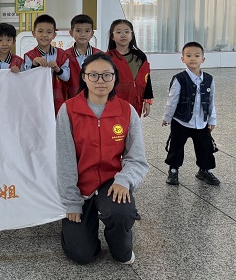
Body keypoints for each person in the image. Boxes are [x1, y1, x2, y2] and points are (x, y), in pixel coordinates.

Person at [56, 53, 148, 265]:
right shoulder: (68, 110)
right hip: (81, 185)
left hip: (112, 182)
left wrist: (124, 180)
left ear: (115, 78)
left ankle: (119, 242)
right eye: (94, 75)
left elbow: (137, 158)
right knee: (81, 254)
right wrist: (72, 202)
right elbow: (64, 159)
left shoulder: (126, 111)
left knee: (121, 213)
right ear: (84, 77)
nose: (100, 81)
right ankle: (84, 232)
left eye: (107, 75)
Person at [163, 42, 220, 186]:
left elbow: (211, 100)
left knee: (205, 147)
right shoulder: (179, 79)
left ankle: (205, 170)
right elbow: (172, 100)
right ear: (183, 59)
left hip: (201, 122)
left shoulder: (209, 79)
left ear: (203, 59)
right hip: (181, 121)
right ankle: (173, 170)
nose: (193, 58)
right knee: (176, 146)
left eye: (197, 55)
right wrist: (167, 117)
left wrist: (212, 120)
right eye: (188, 56)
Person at [23, 14, 70, 114]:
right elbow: (26, 79)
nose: (44, 35)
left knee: (57, 121)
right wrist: (34, 64)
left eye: (48, 32)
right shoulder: (29, 56)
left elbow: (66, 77)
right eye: (40, 31)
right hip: (36, 99)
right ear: (34, 33)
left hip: (57, 97)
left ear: (54, 35)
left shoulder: (61, 54)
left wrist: (57, 69)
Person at [106, 19, 153, 117]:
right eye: (118, 32)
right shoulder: (107, 57)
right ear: (112, 37)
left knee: (133, 124)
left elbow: (146, 78)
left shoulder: (140, 56)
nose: (123, 35)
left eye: (127, 32)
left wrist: (147, 101)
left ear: (132, 35)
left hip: (135, 101)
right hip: (114, 101)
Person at [64, 14, 101, 100]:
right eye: (78, 31)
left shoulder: (99, 55)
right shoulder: (64, 56)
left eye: (87, 31)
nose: (83, 34)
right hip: (72, 99)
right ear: (71, 33)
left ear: (92, 33)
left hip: (95, 99)